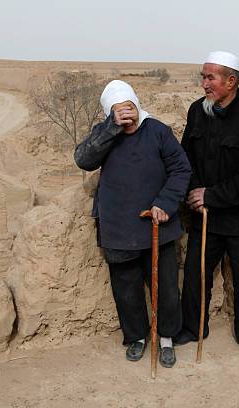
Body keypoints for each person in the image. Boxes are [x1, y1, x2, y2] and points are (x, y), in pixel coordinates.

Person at [74, 80, 191, 367]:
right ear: (110, 112)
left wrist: (165, 202)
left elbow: (180, 169)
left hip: (157, 226)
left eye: (130, 108)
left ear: (137, 105)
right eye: (119, 110)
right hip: (118, 227)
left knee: (165, 288)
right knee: (126, 289)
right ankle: (136, 337)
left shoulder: (158, 131)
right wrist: (111, 128)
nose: (128, 115)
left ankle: (166, 338)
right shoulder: (103, 133)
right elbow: (83, 159)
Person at [176, 51, 239, 363]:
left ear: (231, 81)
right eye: (203, 77)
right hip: (207, 216)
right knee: (195, 276)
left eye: (211, 77)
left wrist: (211, 195)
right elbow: (185, 158)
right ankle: (194, 328)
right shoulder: (197, 112)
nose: (204, 83)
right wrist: (194, 193)